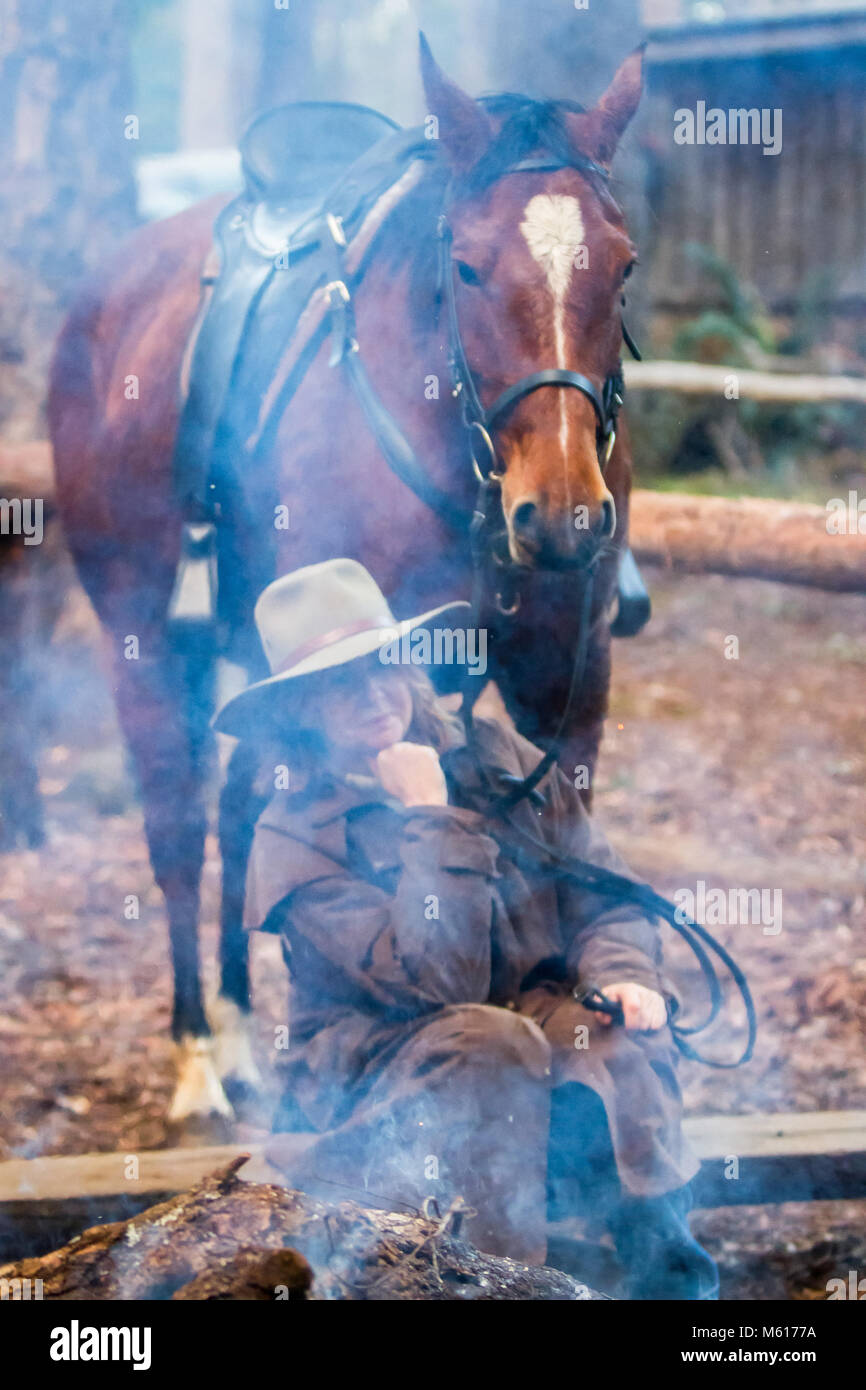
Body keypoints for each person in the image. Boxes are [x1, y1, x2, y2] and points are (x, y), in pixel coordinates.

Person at [214, 558, 718, 1299]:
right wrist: (429, 816)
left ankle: (678, 1295)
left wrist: (626, 976)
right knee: (492, 1040)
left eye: (382, 664)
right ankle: (503, 1292)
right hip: (376, 1088)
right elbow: (438, 985)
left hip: (525, 1028)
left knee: (615, 1034)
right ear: (300, 712)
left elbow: (604, 896)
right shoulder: (295, 837)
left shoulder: (493, 755)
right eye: (336, 684)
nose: (369, 694)